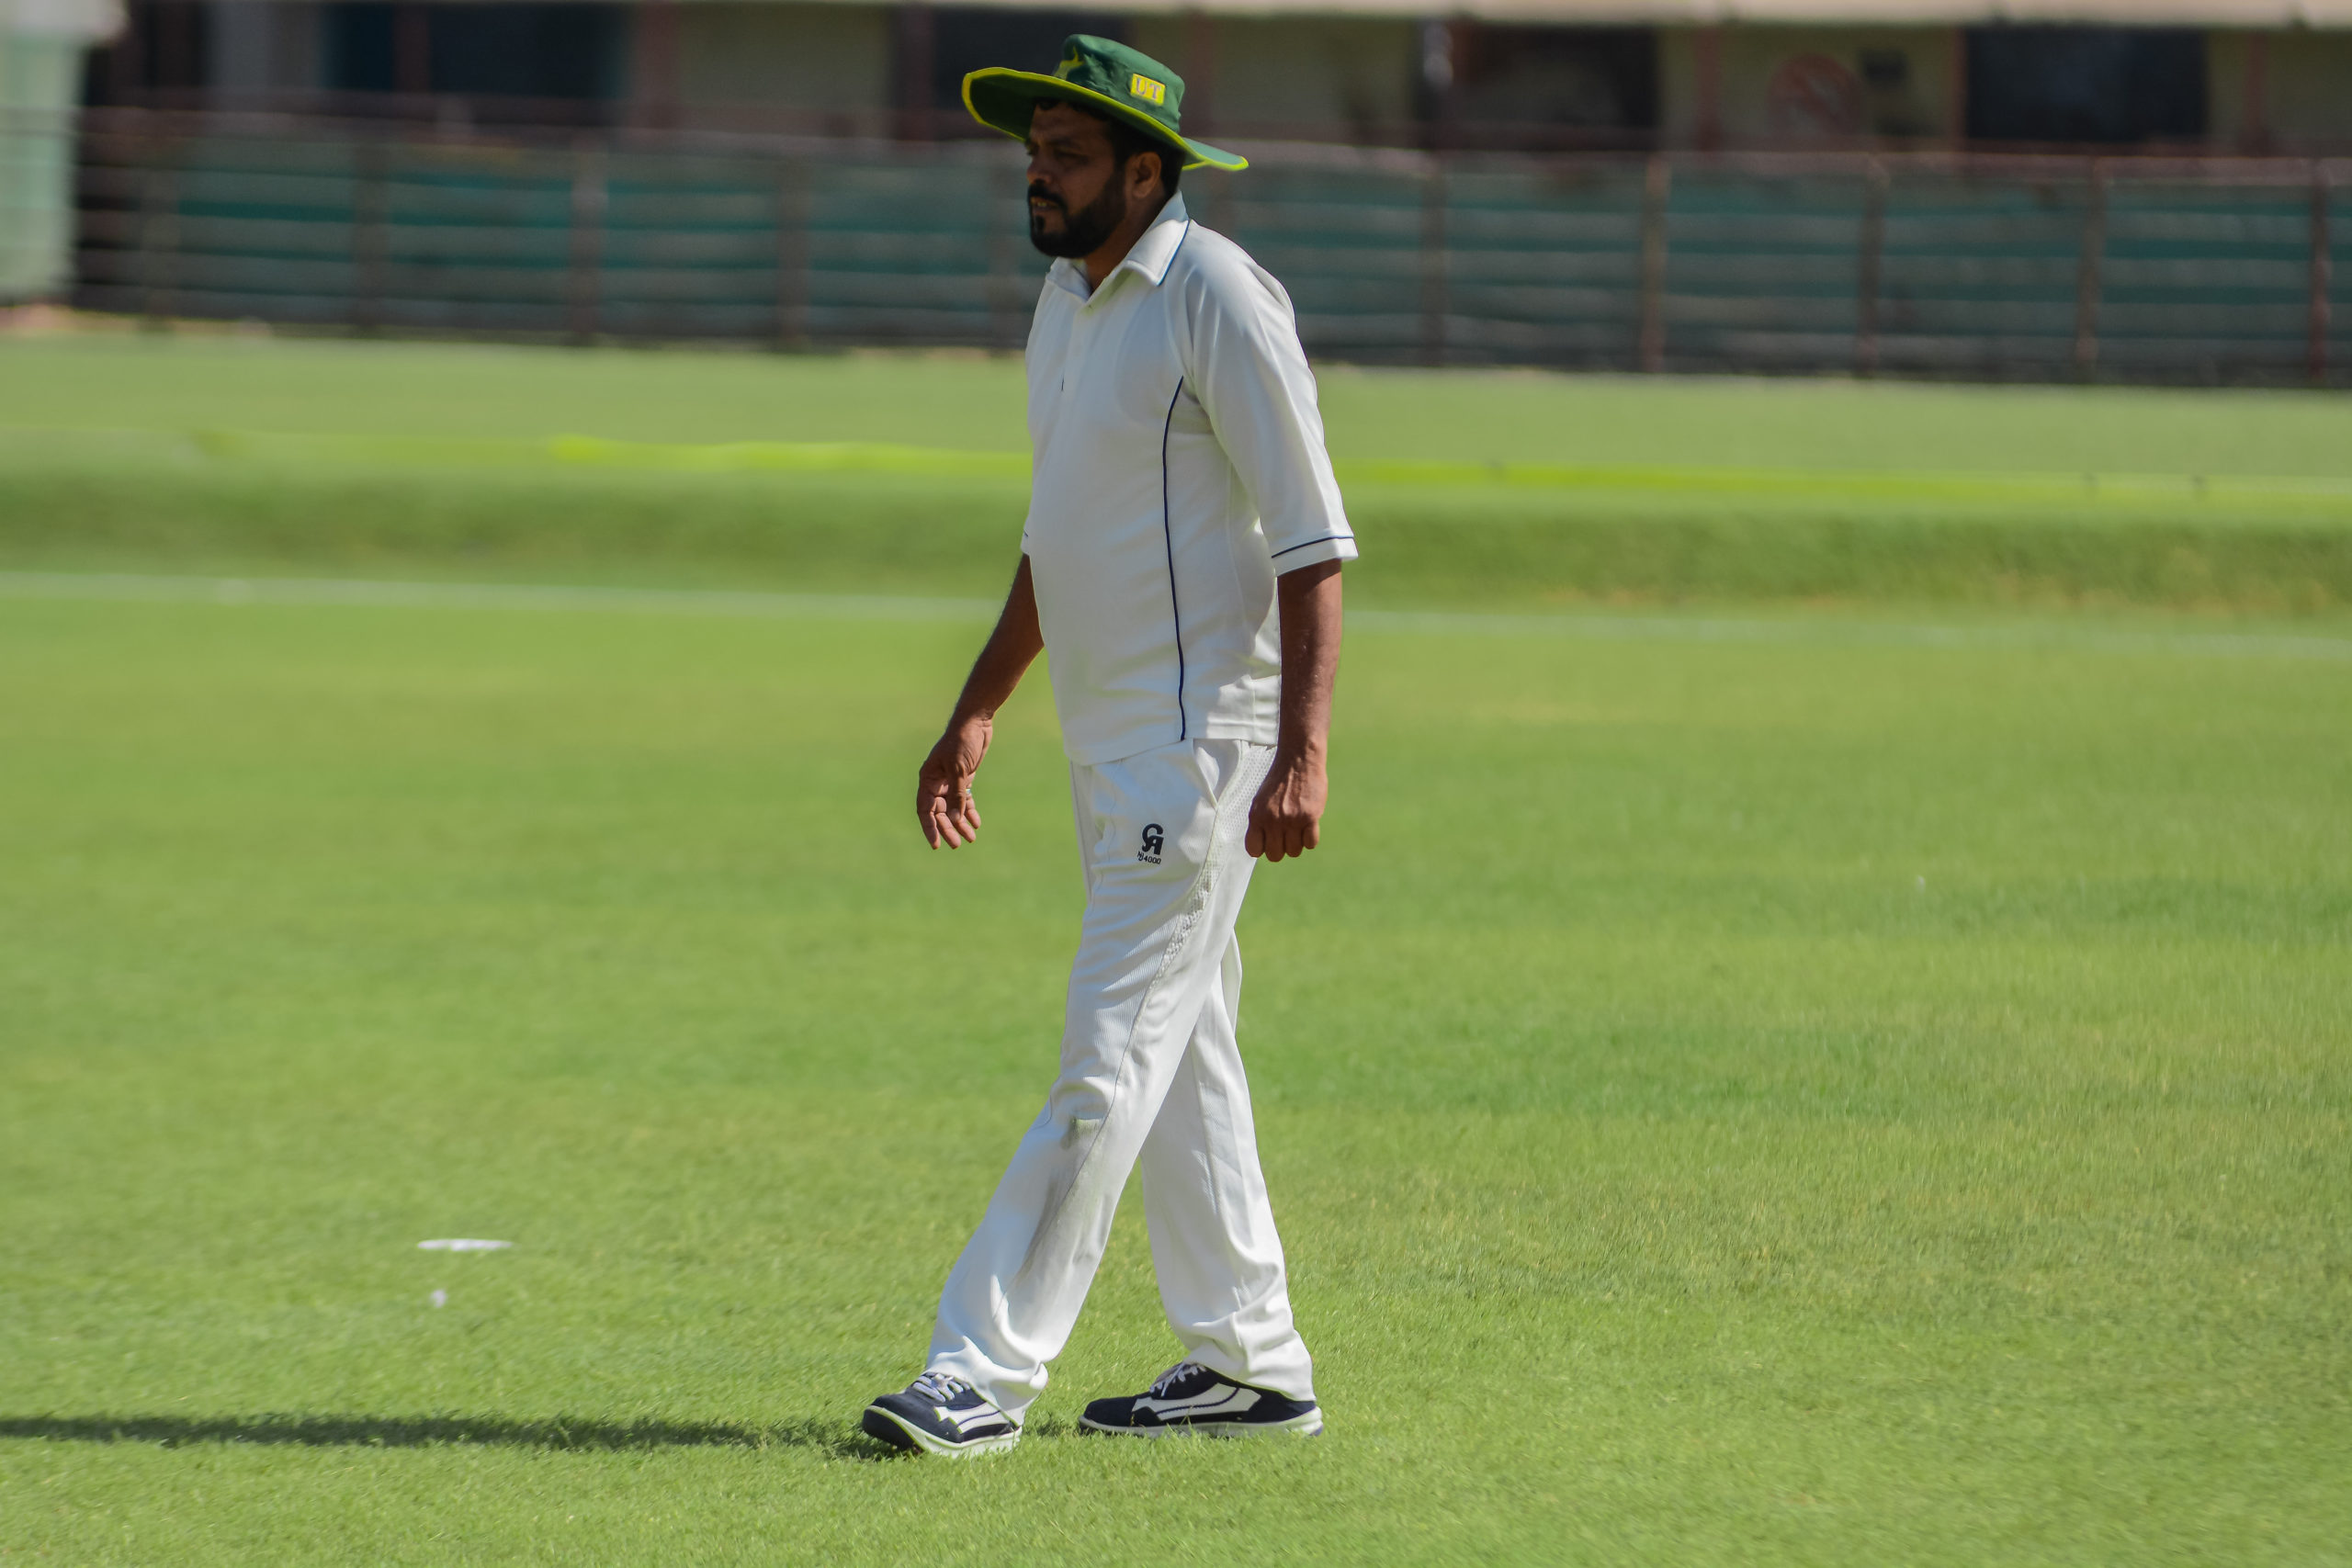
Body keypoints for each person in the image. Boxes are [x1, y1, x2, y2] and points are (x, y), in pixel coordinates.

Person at [859, 35, 1355, 1457]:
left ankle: (979, 1372)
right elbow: (1056, 534)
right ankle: (1252, 1362)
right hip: (1109, 745)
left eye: (1067, 157)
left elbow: (1313, 540)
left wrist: (1302, 750)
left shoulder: (1217, 294)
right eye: (1034, 153)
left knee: (1107, 1062)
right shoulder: (1067, 302)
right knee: (1181, 1054)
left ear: (1147, 172)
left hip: (1195, 753)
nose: (1039, 175)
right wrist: (977, 705)